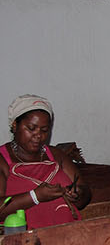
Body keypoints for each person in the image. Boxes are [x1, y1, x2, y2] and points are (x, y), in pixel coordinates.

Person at [0, 95, 89, 230]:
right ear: (14, 125)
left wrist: (77, 194)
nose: (38, 135)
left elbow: (85, 192)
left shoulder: (57, 155)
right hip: (23, 241)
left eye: (44, 130)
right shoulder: (2, 160)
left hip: (69, 235)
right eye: (31, 128)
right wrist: (35, 196)